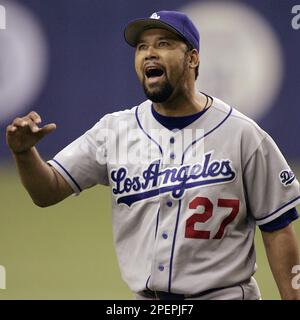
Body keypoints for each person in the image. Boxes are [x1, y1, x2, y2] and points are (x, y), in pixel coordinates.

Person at [6, 10, 300, 300]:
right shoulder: (115, 131)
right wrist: (24, 152)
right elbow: (48, 190)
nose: (149, 53)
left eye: (164, 44)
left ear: (193, 58)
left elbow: (278, 230)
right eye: (142, 46)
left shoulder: (242, 135)